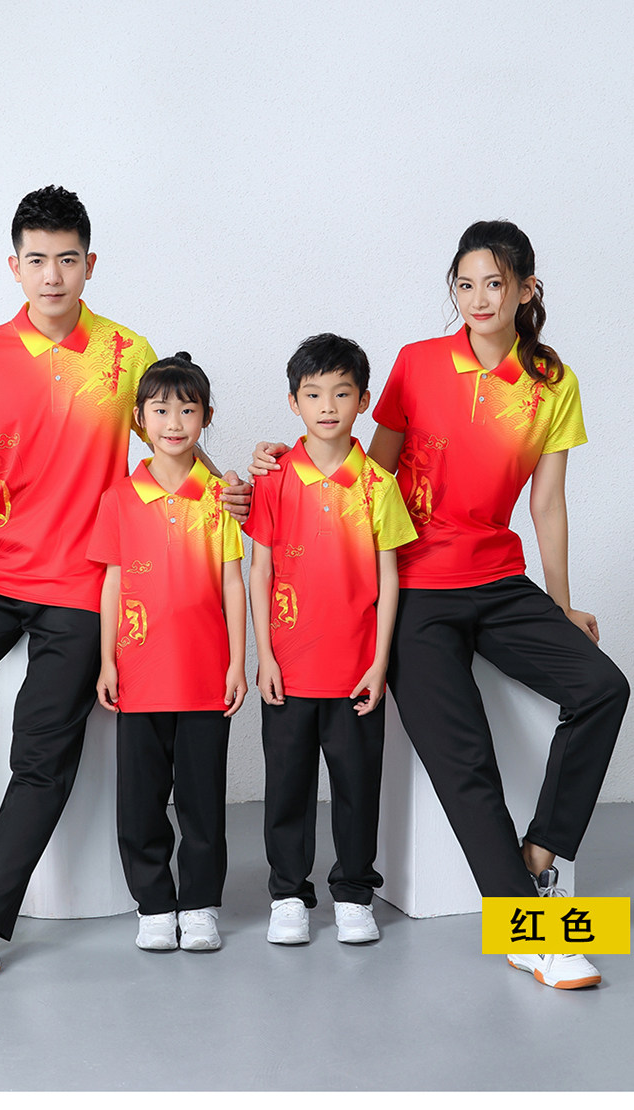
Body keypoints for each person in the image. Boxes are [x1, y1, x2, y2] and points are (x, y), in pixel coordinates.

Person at [252, 222, 629, 988]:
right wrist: (283, 468)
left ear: (526, 289)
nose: (478, 299)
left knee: (603, 687)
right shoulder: (420, 363)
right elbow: (370, 474)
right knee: (465, 759)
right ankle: (528, 930)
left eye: (495, 284)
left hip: (497, 579)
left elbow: (547, 503)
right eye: (464, 284)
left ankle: (541, 854)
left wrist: (561, 604)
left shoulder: (554, 382)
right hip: (417, 587)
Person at [0, 187, 250, 998]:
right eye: (36, 260)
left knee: (41, 748)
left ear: (89, 264)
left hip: (84, 585)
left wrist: (224, 490)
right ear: (14, 266)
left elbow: (172, 438)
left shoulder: (126, 352)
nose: (51, 275)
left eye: (66, 259)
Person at [244, 334, 417, 945]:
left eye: (342, 393)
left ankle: (354, 894)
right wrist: (264, 656)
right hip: (288, 669)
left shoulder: (377, 485)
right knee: (287, 788)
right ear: (294, 403)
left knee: (356, 787)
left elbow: (391, 579)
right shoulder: (274, 480)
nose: (327, 406)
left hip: (355, 672)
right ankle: (288, 895)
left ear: (363, 401)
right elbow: (259, 572)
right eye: (313, 394)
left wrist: (379, 662)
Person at [87, 354, 247, 952]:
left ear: (206, 417)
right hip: (139, 674)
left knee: (203, 801)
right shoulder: (120, 498)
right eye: (160, 410)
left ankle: (200, 904)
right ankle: (154, 905)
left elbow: (234, 583)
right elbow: (112, 582)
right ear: (140, 418)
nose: (174, 422)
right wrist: (108, 660)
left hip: (206, 676)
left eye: (187, 410)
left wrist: (238, 662)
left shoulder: (222, 498)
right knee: (140, 801)